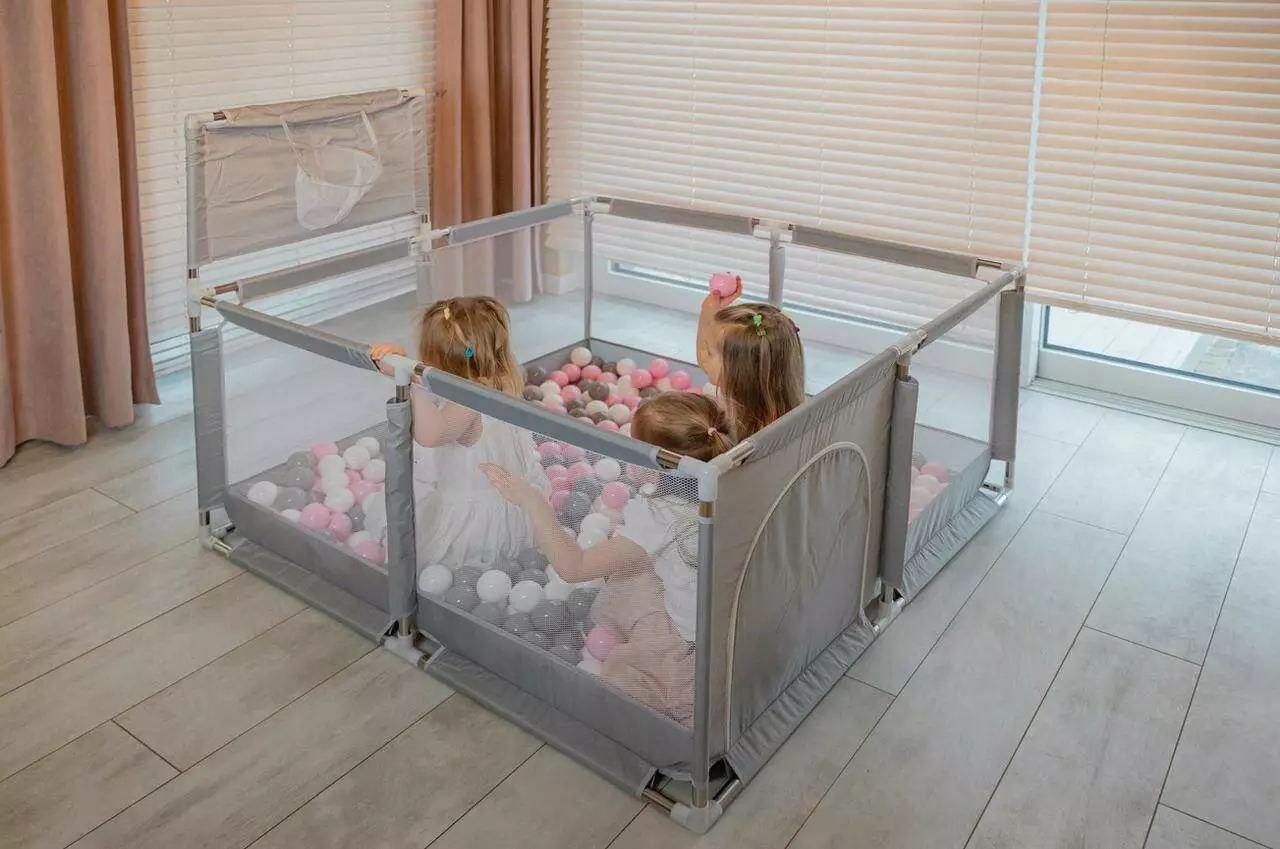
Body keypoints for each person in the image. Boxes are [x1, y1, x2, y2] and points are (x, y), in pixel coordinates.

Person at [482, 393, 734, 725]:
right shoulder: (731, 480)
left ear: (654, 470)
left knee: (620, 681)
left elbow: (573, 567)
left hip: (692, 642)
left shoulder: (660, 517)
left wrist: (533, 501)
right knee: (636, 575)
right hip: (731, 614)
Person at [369, 296, 549, 570]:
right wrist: (407, 368)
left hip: (477, 529)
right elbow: (451, 376)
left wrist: (410, 379)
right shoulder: (499, 381)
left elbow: (431, 435)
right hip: (517, 503)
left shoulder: (469, 401)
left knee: (403, 517)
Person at [696, 282, 805, 439]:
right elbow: (704, 360)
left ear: (739, 372)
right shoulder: (781, 405)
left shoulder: (720, 414)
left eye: (710, 353)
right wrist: (708, 312)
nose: (702, 355)